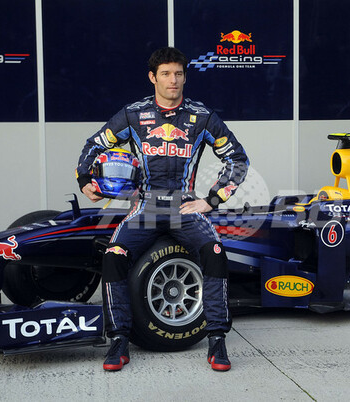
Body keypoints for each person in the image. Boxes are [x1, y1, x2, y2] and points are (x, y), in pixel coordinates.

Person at [76, 47, 249, 371]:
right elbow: (95, 144)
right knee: (113, 256)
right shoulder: (133, 114)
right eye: (166, 74)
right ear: (152, 77)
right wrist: (86, 179)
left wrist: (212, 199)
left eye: (179, 74)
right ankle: (119, 340)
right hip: (145, 206)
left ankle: (217, 340)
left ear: (185, 77)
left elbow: (237, 159)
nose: (173, 80)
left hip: (185, 206)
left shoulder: (201, 116)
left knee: (214, 252)